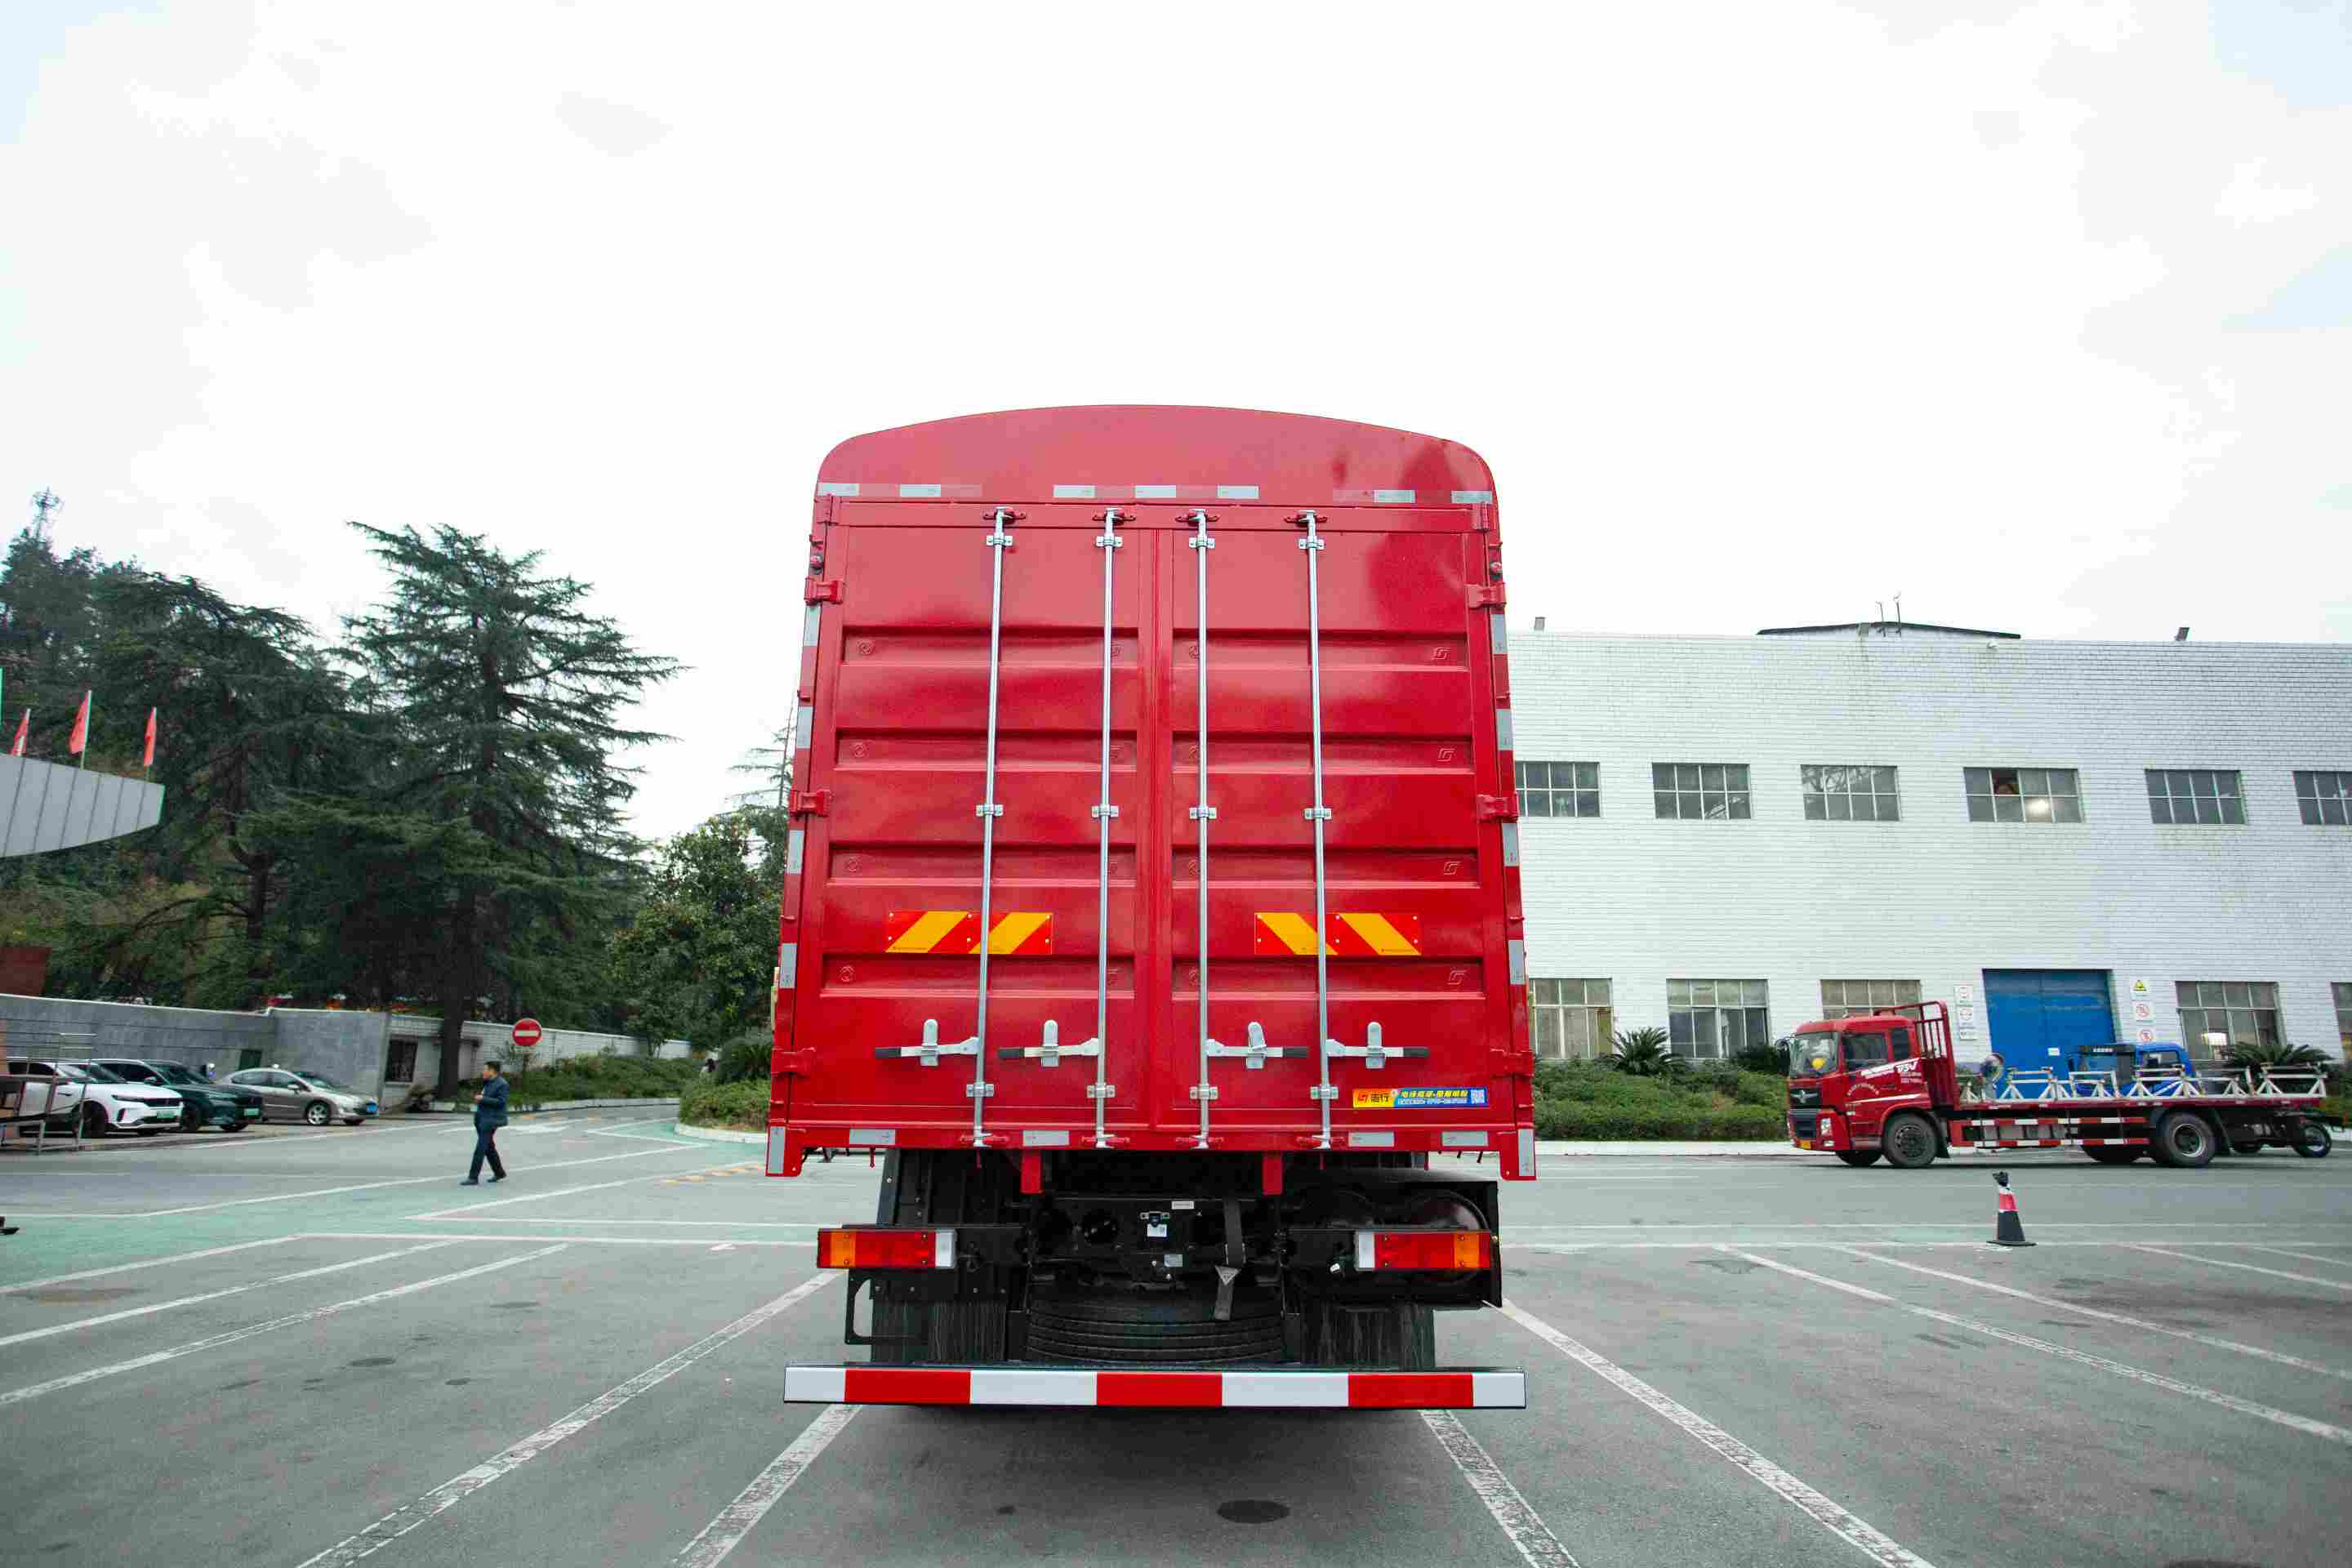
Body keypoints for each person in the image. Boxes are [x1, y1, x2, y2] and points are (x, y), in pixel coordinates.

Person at [461, 1061, 510, 1186]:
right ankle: (499, 1172)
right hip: (482, 1118)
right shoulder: (488, 1082)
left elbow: (501, 1102)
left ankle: (473, 1177)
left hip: (491, 1120)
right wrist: (480, 1099)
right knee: (489, 1147)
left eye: (485, 1069)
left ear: (492, 1071)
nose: (483, 1072)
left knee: (481, 1148)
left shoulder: (502, 1084)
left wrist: (483, 1099)